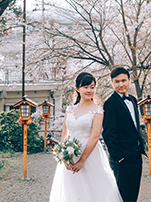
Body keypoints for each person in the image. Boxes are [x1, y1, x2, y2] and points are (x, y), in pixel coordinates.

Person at [49, 72, 122, 202]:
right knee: (72, 191)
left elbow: (94, 137)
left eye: (92, 87)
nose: (89, 90)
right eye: (86, 87)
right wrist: (63, 155)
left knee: (93, 192)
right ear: (77, 88)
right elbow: (64, 134)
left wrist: (82, 160)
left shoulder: (98, 111)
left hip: (90, 155)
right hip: (70, 155)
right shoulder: (70, 109)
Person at [102, 67, 146, 202]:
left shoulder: (133, 100)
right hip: (122, 158)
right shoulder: (110, 103)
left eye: (123, 80)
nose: (121, 84)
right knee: (122, 196)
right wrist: (119, 157)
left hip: (136, 155)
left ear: (129, 81)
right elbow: (109, 133)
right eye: (117, 81)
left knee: (133, 195)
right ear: (112, 83)